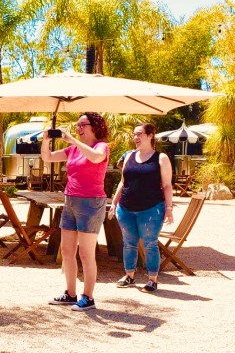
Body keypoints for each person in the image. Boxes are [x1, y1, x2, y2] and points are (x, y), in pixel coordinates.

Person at [42, 113, 110, 311]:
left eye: (83, 125)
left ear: (95, 126)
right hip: (70, 201)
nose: (79, 128)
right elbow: (47, 157)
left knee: (86, 253)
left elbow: (96, 158)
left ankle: (88, 297)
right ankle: (70, 294)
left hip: (91, 203)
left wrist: (71, 139)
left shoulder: (101, 147)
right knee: (67, 251)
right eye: (77, 125)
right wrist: (46, 141)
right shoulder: (72, 150)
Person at [109, 123, 174, 293]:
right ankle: (129, 276)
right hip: (126, 208)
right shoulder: (129, 156)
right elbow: (123, 182)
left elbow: (167, 185)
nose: (135, 138)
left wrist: (169, 209)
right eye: (134, 135)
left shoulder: (161, 158)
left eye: (139, 134)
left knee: (150, 244)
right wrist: (114, 204)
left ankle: (152, 279)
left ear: (150, 135)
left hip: (151, 208)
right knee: (128, 243)